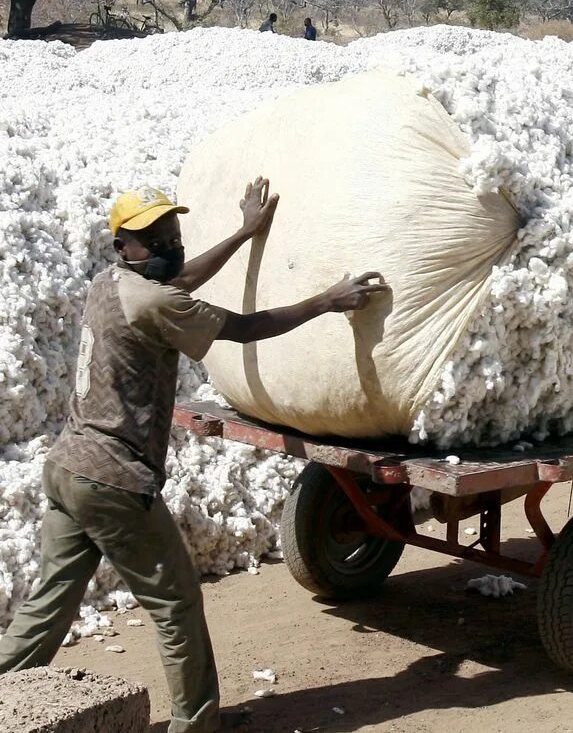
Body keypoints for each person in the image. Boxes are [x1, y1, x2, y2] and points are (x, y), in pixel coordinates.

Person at [0, 181, 388, 732]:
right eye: (152, 239)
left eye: (172, 236)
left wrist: (244, 232)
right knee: (176, 608)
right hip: (113, 480)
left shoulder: (109, 286)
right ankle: (196, 725)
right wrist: (328, 300)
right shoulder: (156, 301)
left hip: (68, 469)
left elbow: (177, 281)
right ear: (122, 247)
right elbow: (245, 327)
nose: (167, 247)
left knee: (47, 609)